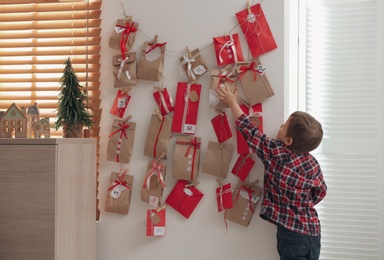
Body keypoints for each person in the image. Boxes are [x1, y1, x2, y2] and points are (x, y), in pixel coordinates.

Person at [216, 86, 327, 260]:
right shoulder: (312, 164)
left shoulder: (275, 152)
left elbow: (249, 131)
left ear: (288, 140)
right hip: (313, 231)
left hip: (292, 234)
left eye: (284, 126)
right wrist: (302, 200)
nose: (280, 126)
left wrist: (232, 102)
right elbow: (321, 191)